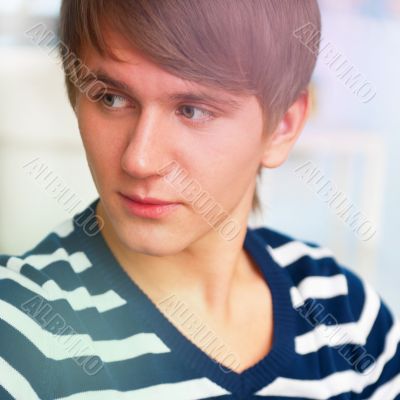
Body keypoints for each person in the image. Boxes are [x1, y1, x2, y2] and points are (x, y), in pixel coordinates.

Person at [1, 0, 399, 399]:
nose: (139, 160)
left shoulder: (349, 318)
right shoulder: (17, 329)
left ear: (282, 127)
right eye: (111, 98)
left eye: (192, 110)